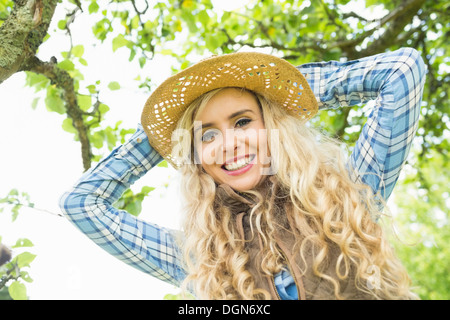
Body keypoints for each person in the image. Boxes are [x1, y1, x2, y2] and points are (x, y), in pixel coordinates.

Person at [60, 47, 426, 300]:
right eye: (207, 135)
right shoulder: (200, 256)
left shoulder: (345, 196)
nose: (229, 144)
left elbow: (402, 72)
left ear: (273, 126)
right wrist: (166, 133)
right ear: (196, 155)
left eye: (243, 121)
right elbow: (81, 203)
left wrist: (280, 90)